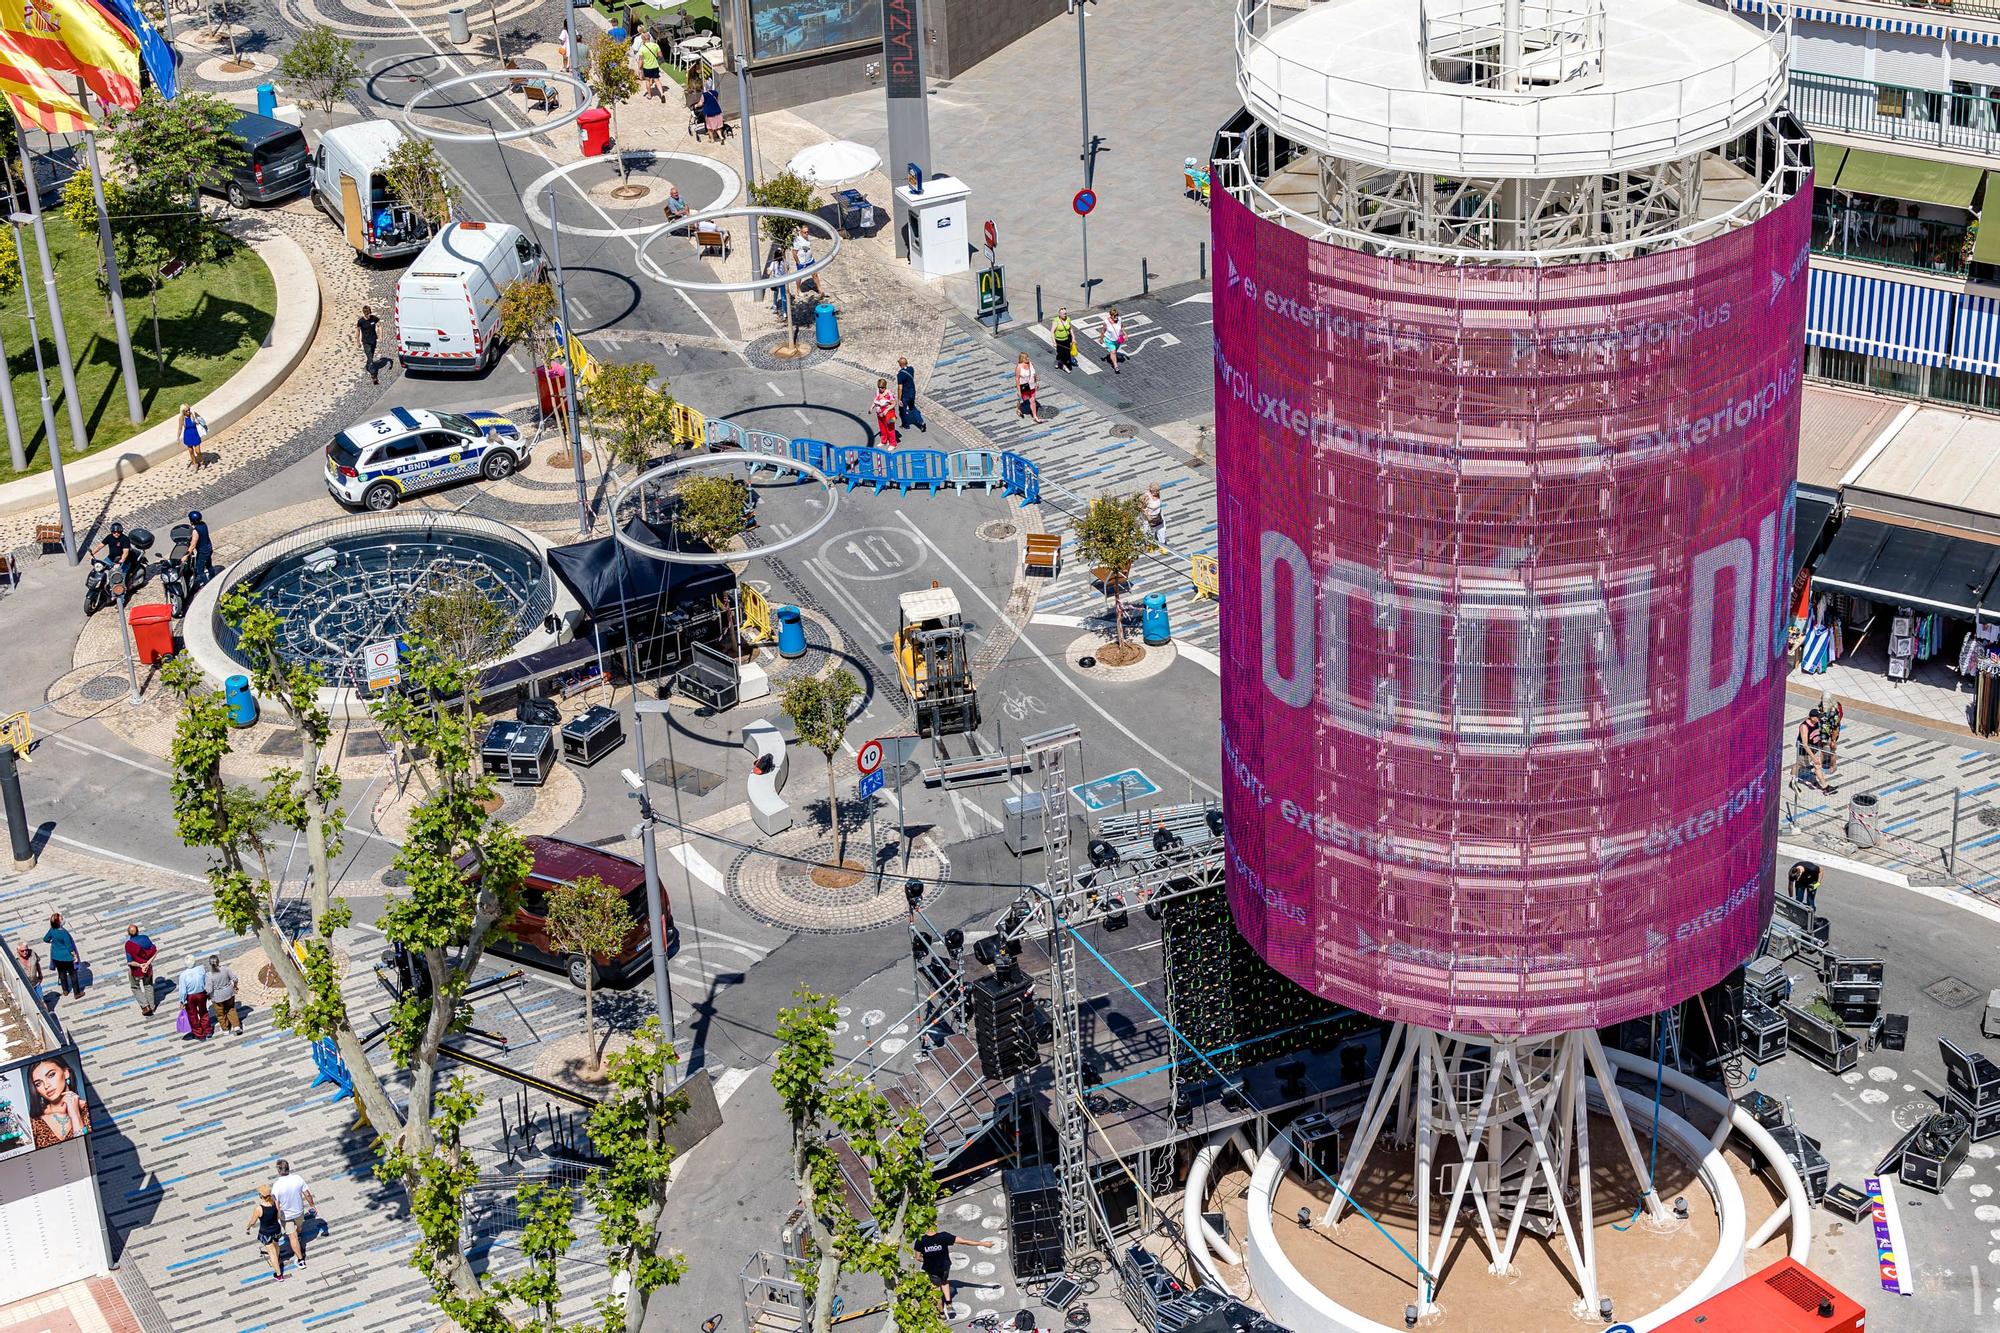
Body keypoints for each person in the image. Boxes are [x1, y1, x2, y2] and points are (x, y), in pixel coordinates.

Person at [914, 1228, 996, 1314]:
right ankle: (949, 1304)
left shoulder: (920, 1241)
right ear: (935, 1225)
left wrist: (928, 1259)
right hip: (945, 1267)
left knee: (937, 1290)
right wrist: (983, 1244)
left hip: (932, 1270)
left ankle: (941, 1314)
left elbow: (918, 1258)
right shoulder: (943, 1236)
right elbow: (964, 1242)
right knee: (945, 1282)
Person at [28, 1057, 88, 1147]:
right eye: (38, 1083)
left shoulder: (88, 1110)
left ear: (66, 1073)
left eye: (51, 1075)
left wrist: (76, 1116)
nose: (46, 1085)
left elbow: (85, 1148)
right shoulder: (34, 1121)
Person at [272, 1159, 315, 1269]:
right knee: (299, 1228)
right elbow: (307, 1194)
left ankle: (301, 1260)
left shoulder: (276, 1186)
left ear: (278, 1170)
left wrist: (276, 1219)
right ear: (288, 1167)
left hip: (286, 1216)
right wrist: (312, 1206)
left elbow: (276, 1204)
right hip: (299, 1211)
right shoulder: (298, 1178)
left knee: (292, 1237)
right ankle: (299, 1234)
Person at [245, 1183, 288, 1281]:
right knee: (276, 1245)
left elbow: (253, 1222)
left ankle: (279, 1274)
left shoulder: (259, 1209)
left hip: (266, 1233)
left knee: (271, 1253)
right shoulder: (274, 1202)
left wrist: (248, 1227)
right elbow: (278, 1216)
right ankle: (278, 1261)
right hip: (276, 1229)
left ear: (261, 1196)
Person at [1795, 709, 1835, 792]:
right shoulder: (1804, 727)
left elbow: (1818, 735)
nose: (1819, 718)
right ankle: (1793, 780)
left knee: (1817, 767)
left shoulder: (1817, 722)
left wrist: (1820, 747)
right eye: (1817, 717)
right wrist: (1813, 757)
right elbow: (1805, 745)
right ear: (1812, 717)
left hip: (1814, 749)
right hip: (1804, 752)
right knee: (1798, 766)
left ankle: (1825, 787)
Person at [42, 913, 79, 998]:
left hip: (56, 957)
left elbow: (45, 939)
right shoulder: (64, 933)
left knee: (62, 973)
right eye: (61, 918)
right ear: (58, 922)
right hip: (67, 957)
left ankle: (65, 990)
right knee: (73, 974)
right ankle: (77, 993)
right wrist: (75, 956)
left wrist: (52, 942)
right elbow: (69, 947)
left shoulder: (52, 930)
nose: (63, 919)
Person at [124, 924, 157, 1016]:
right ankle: (152, 1007)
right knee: (148, 985)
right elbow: (155, 951)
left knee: (135, 987)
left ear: (128, 933)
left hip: (136, 971)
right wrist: (147, 963)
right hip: (148, 969)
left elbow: (130, 962)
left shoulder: (129, 944)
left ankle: (145, 1006)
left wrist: (140, 965)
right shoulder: (146, 938)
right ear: (138, 931)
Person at [177, 957, 213, 1040]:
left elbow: (183, 990)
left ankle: (199, 1033)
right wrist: (208, 993)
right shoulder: (201, 969)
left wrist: (182, 1001)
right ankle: (208, 1030)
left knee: (192, 1015)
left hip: (190, 997)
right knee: (203, 1012)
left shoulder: (183, 975)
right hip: (201, 994)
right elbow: (206, 981)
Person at [94, 521, 140, 586]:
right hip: (110, 558)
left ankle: (121, 594)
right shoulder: (109, 537)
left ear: (121, 532)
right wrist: (92, 554)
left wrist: (120, 562)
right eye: (114, 532)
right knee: (100, 570)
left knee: (120, 577)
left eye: (118, 532)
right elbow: (100, 546)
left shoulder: (125, 539)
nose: (116, 534)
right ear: (111, 532)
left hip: (124, 561)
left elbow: (125, 552)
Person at [208, 954, 241, 1034]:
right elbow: (235, 979)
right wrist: (235, 987)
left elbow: (209, 989)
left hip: (217, 997)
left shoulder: (209, 975)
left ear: (210, 964)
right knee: (231, 1008)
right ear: (218, 961)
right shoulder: (226, 969)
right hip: (229, 992)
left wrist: (208, 996)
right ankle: (236, 1026)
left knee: (220, 1013)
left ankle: (225, 1029)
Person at [896, 356, 926, 433]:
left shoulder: (900, 374)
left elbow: (900, 388)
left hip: (905, 395)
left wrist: (899, 399)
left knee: (902, 410)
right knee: (912, 408)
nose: (898, 364)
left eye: (899, 363)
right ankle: (921, 422)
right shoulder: (911, 369)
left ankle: (906, 425)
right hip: (912, 393)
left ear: (901, 364)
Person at [187, 510, 214, 588]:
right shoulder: (203, 524)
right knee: (209, 565)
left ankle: (207, 585)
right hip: (209, 548)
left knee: (200, 570)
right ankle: (213, 577)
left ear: (192, 520)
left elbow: (193, 545)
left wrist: (186, 555)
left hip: (203, 552)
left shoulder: (195, 531)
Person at [178, 403, 208, 470]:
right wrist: (178, 437)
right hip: (188, 436)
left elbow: (195, 422)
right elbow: (180, 428)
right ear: (183, 412)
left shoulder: (191, 414)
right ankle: (195, 463)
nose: (188, 411)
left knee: (198, 451)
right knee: (191, 451)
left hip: (195, 434)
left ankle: (202, 462)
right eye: (186, 411)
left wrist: (196, 422)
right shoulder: (181, 418)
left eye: (189, 409)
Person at [1015, 352, 1042, 423]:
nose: (1027, 359)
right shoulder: (1019, 367)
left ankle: (1035, 416)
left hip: (1032, 385)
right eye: (1025, 358)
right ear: (1022, 359)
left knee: (1032, 400)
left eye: (1028, 357)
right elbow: (1017, 379)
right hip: (1024, 386)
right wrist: (1018, 390)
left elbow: (1034, 374)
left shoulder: (1031, 364)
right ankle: (1018, 409)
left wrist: (1036, 382)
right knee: (1021, 399)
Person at [357, 305, 381, 386]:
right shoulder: (361, 321)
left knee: (371, 355)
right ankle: (374, 376)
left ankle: (368, 365)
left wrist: (380, 335)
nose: (369, 315)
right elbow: (358, 331)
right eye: (368, 314)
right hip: (366, 342)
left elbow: (379, 325)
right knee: (370, 358)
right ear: (364, 313)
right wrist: (358, 341)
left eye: (370, 313)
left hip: (373, 340)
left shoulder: (373, 318)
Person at [638, 31, 664, 100]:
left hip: (647, 67)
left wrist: (639, 68)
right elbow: (660, 55)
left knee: (647, 81)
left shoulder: (642, 48)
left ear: (643, 39)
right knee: (657, 80)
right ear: (649, 38)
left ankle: (649, 95)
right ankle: (662, 94)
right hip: (655, 66)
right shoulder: (655, 45)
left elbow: (640, 60)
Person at [873, 379, 899, 448]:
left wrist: (886, 410)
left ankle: (893, 443)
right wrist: (871, 407)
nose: (880, 389)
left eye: (882, 387)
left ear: (885, 387)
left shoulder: (889, 394)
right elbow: (876, 401)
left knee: (890, 428)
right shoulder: (878, 392)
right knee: (882, 428)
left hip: (889, 413)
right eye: (879, 387)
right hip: (880, 413)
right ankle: (884, 441)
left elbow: (894, 403)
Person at [1102, 308, 1126, 373]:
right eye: (1114, 316)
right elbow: (1103, 330)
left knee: (1115, 350)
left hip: (1117, 339)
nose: (1116, 317)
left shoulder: (1119, 319)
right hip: (1109, 340)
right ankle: (1115, 366)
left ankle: (1111, 358)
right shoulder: (1106, 322)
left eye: (1117, 315)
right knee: (1113, 351)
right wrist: (1101, 338)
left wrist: (1125, 334)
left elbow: (1121, 326)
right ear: (1111, 315)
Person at [1051, 307, 1075, 373]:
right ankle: (1060, 362)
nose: (1065, 315)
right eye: (1064, 314)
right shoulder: (1056, 321)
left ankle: (1067, 365)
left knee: (1067, 353)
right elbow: (1052, 331)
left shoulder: (1068, 319)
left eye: (1066, 313)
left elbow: (1070, 329)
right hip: (1059, 340)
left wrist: (1073, 337)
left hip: (1067, 339)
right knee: (1061, 353)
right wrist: (1054, 342)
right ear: (1060, 314)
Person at [1144, 481, 1165, 546]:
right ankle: (1149, 545)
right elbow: (1142, 507)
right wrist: (1148, 516)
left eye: (1158, 491)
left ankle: (1163, 546)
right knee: (1149, 533)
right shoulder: (1146, 497)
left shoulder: (1157, 494)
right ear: (1152, 490)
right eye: (1157, 491)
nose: (1158, 492)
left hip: (1158, 517)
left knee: (1162, 531)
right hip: (1149, 518)